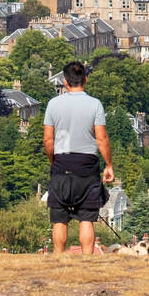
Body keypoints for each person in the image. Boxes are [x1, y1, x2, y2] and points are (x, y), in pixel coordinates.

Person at [43, 61, 114, 255]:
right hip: (87, 165)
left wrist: (53, 160)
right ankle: (87, 261)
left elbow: (48, 139)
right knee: (87, 217)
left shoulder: (53, 104)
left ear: (65, 82)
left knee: (59, 217)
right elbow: (101, 138)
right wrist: (108, 164)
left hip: (61, 161)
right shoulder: (95, 104)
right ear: (85, 80)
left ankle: (59, 258)